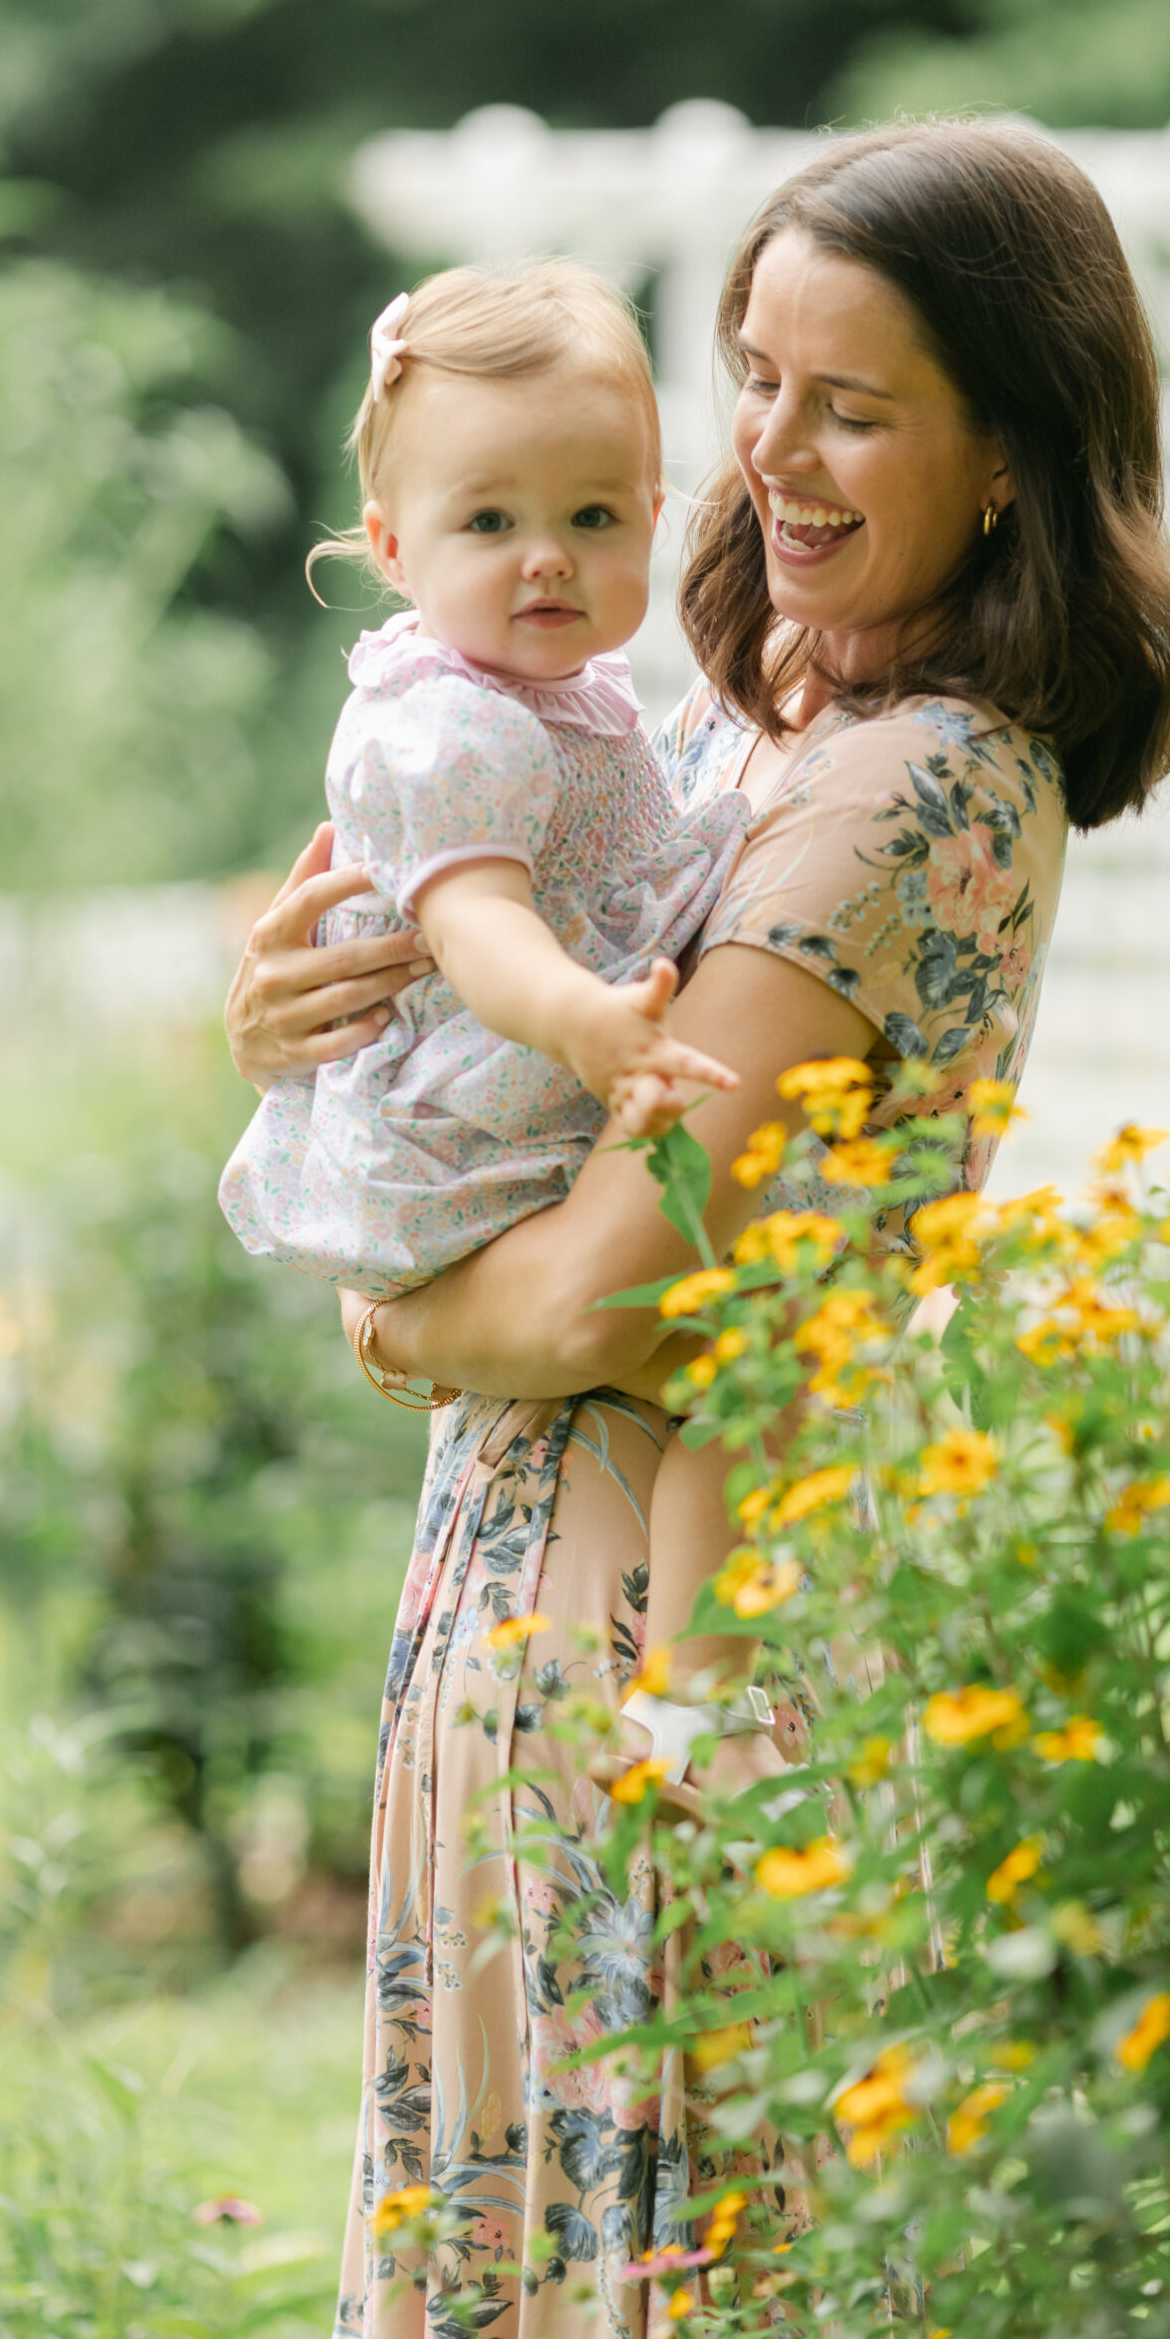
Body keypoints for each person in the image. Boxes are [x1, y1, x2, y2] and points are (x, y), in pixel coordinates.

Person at [224, 119, 1170, 2339]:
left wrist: (376, 1304)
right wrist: (290, 1020)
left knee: (654, 2296)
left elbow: (605, 1292)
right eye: (756, 376)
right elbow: (471, 971)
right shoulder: (744, 725)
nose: (768, 448)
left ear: (1010, 466)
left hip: (663, 1653)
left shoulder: (913, 777)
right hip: (555, 1594)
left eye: (850, 404)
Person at [219, 258, 757, 1744]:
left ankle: (692, 1694)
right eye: (488, 522)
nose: (545, 559)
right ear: (393, 545)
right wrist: (591, 1018)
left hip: (503, 1106)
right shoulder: (445, 722)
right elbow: (475, 925)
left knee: (746, 1374)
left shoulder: (567, 701)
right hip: (474, 1127)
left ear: (654, 516)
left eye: (590, 517)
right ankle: (699, 1703)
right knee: (748, 1368)